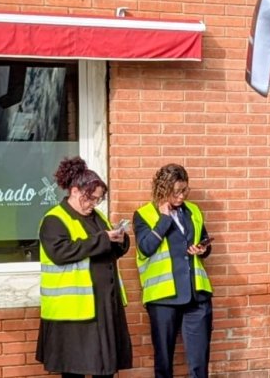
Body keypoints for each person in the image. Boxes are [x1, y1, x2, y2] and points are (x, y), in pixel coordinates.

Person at [36, 157, 132, 378]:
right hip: (73, 311)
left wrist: (120, 240)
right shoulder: (54, 219)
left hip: (103, 305)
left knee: (105, 368)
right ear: (75, 191)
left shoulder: (98, 217)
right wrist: (103, 239)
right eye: (90, 198)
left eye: (98, 199)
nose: (93, 204)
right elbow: (61, 252)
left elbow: (106, 249)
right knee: (74, 370)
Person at [133, 164, 214, 378]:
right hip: (163, 298)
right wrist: (164, 219)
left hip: (196, 296)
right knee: (164, 363)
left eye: (184, 190)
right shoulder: (143, 215)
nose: (181, 196)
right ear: (163, 189)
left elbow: (204, 239)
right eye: (176, 191)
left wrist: (203, 249)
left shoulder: (193, 210)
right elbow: (145, 248)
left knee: (200, 363)